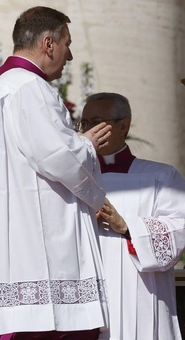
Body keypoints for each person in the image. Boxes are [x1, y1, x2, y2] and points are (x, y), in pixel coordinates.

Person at [0, 6, 114, 339]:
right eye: (67, 44)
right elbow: (57, 158)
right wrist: (86, 144)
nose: (69, 55)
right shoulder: (31, 88)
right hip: (39, 251)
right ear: (48, 43)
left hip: (3, 249)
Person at [80, 92, 185, 340]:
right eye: (83, 124)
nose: (88, 131)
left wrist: (128, 227)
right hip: (87, 295)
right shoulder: (72, 178)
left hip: (140, 294)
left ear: (123, 125)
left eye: (96, 122)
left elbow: (179, 228)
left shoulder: (160, 177)